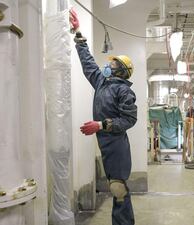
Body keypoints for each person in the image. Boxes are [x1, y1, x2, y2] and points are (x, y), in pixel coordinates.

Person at [70, 10, 137, 225]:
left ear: (121, 72)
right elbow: (88, 62)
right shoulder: (101, 82)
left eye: (112, 65)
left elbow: (129, 120)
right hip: (105, 144)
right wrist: (78, 32)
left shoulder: (124, 91)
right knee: (115, 186)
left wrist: (100, 124)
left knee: (118, 189)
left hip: (117, 146)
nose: (107, 66)